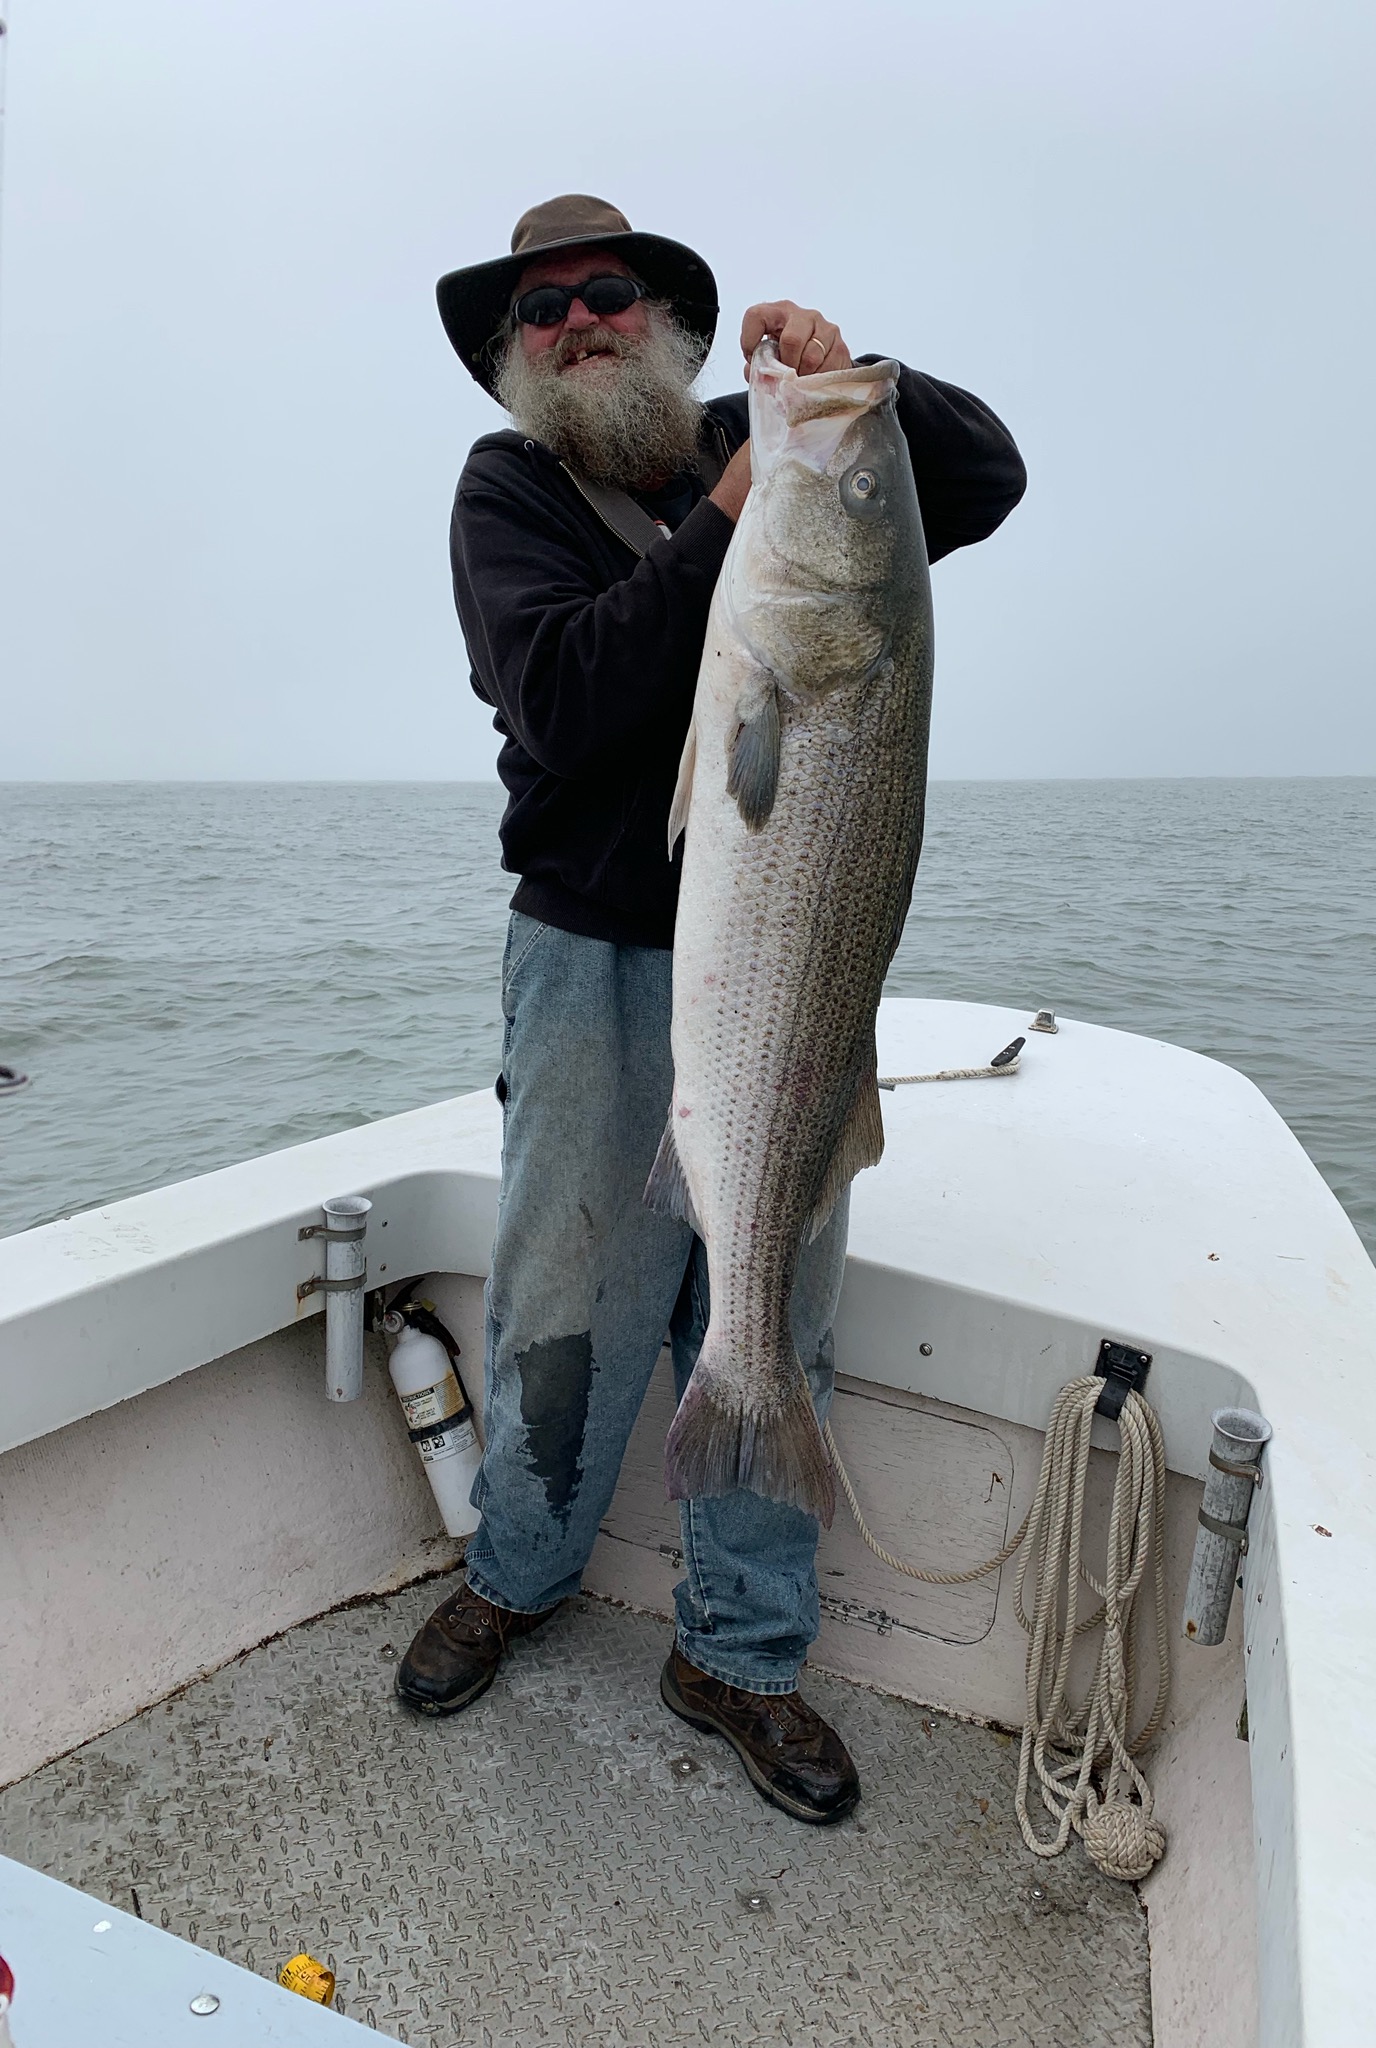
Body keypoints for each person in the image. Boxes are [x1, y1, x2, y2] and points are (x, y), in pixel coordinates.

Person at [396, 194, 1026, 1825]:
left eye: (610, 293)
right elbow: (566, 697)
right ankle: (522, 1573)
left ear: (672, 320)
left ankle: (741, 1657)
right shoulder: (511, 494)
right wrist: (728, 518)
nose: (583, 322)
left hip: (791, 963)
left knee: (776, 1320)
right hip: (594, 959)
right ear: (512, 359)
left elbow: (981, 476)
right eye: (545, 313)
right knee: (563, 1297)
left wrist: (858, 377)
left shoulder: (763, 441)